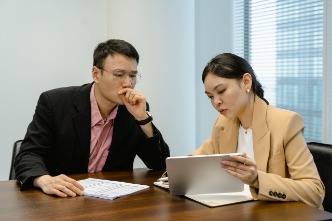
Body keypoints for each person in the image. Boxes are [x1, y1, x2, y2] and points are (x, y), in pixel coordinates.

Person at [15, 39, 170, 197]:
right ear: (96, 74)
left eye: (133, 76)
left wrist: (143, 119)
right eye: (119, 75)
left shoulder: (134, 110)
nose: (128, 83)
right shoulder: (55, 103)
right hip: (62, 199)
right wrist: (44, 180)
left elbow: (159, 165)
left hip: (112, 204)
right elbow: (28, 154)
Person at [192, 53, 325, 209]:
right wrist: (174, 176)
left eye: (221, 91)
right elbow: (194, 161)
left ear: (246, 82)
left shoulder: (286, 123)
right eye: (210, 96)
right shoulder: (223, 123)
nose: (216, 102)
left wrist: (257, 180)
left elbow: (315, 192)